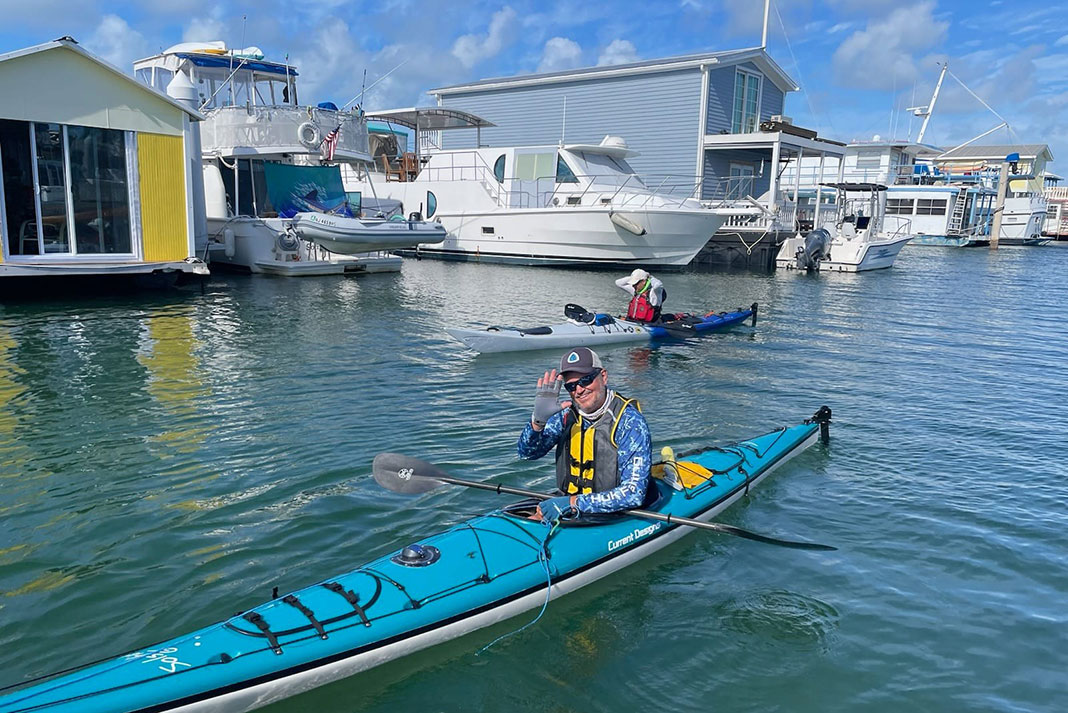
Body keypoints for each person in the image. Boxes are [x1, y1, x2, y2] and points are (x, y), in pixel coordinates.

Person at [517, 347, 652, 522]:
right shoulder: (565, 416)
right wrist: (537, 422)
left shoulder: (630, 422)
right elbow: (527, 454)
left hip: (617, 514)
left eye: (586, 380)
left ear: (603, 376)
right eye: (571, 386)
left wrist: (572, 503)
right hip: (571, 505)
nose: (579, 390)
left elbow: (634, 494)